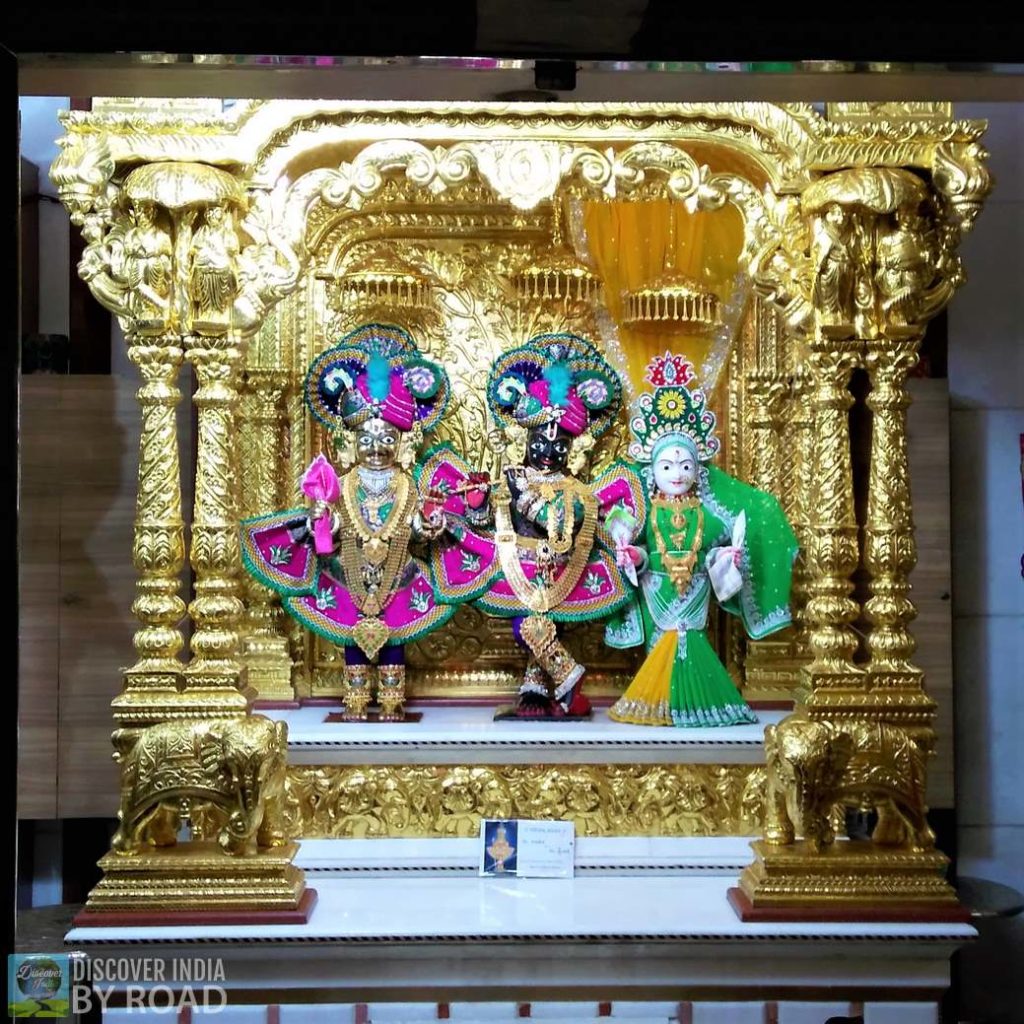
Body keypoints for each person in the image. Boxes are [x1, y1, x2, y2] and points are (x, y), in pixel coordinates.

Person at [421, 333, 645, 720]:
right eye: (540, 441)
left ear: (571, 450)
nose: (548, 451)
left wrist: (528, 498)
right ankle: (546, 687)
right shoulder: (510, 476)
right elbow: (488, 521)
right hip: (514, 564)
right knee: (525, 626)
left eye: (559, 446)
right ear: (526, 438)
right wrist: (478, 504)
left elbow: (566, 530)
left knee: (541, 626)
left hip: (562, 570)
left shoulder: (573, 487)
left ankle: (557, 681)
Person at [240, 323, 454, 722]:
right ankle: (354, 696)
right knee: (353, 635)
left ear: (404, 442)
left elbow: (419, 528)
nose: (376, 447)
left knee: (394, 635)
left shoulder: (408, 483)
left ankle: (392, 696)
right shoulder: (343, 482)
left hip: (399, 574)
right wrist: (327, 520)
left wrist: (430, 522)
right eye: (367, 439)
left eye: (387, 437)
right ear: (349, 443)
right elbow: (335, 523)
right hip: (350, 572)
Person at [606, 352, 798, 728]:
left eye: (685, 465)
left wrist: (725, 559)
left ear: (698, 470)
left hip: (694, 594)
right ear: (652, 469)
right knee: (658, 650)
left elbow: (712, 553)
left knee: (692, 646)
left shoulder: (708, 513)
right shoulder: (645, 509)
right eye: (666, 466)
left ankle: (697, 707)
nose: (676, 474)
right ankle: (660, 706)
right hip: (655, 591)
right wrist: (635, 555)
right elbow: (638, 547)